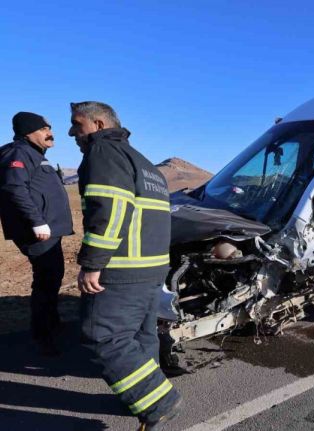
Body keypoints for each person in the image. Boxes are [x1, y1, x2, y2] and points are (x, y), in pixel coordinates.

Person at [69, 101, 181, 430]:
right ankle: (142, 399)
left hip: (123, 270)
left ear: (99, 124)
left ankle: (159, 401)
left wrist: (92, 263)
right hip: (152, 268)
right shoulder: (144, 162)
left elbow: (112, 209)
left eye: (77, 124)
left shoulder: (103, 153)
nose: (71, 132)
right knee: (140, 337)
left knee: (102, 335)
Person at [0, 112, 73, 356]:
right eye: (44, 129)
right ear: (28, 132)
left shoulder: (35, 155)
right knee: (46, 281)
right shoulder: (18, 153)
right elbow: (14, 187)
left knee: (52, 278)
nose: (50, 133)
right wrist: (37, 222)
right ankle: (43, 336)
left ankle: (52, 324)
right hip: (38, 232)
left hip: (49, 231)